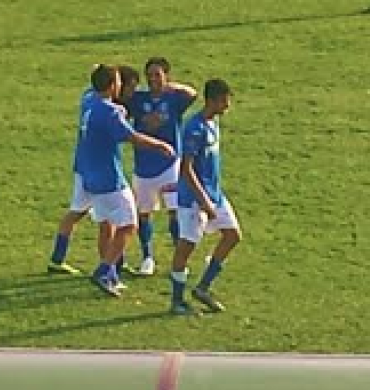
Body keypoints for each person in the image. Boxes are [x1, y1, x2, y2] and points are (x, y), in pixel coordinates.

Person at [54, 64, 174, 297]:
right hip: (109, 179)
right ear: (111, 86)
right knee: (129, 225)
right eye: (118, 81)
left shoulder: (88, 100)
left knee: (106, 222)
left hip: (88, 172)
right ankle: (104, 270)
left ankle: (110, 273)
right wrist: (160, 145)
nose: (121, 85)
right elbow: (131, 137)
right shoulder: (111, 112)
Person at [170, 79, 238, 315]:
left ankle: (203, 288)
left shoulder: (213, 123)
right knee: (186, 248)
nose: (228, 104)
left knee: (232, 236)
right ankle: (177, 300)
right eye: (225, 100)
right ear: (213, 100)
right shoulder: (194, 128)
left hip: (215, 195)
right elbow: (186, 169)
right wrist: (203, 202)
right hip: (194, 200)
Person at [126, 57, 197, 276]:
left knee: (174, 212)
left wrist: (171, 86)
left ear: (166, 75)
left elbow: (192, 93)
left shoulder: (173, 99)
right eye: (150, 75)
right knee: (144, 213)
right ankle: (147, 257)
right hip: (143, 166)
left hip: (169, 165)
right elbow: (119, 96)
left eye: (158, 74)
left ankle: (179, 258)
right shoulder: (138, 99)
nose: (153, 79)